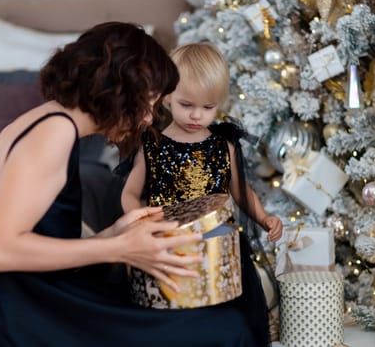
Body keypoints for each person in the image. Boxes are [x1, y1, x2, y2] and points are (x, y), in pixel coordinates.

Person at [0, 23, 260, 347]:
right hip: (11, 312)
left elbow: (24, 241)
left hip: (8, 299)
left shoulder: (43, 119)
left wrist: (116, 232)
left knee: (206, 321)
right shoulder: (53, 133)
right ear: (120, 90)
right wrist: (119, 248)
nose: (149, 118)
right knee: (225, 328)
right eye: (148, 103)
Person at [121, 42, 284, 346]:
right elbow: (130, 192)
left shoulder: (224, 144)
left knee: (227, 312)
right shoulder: (153, 143)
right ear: (168, 96)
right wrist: (141, 220)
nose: (197, 115)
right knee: (176, 313)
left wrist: (264, 217)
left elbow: (240, 191)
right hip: (171, 243)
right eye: (187, 105)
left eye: (208, 108)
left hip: (219, 244)